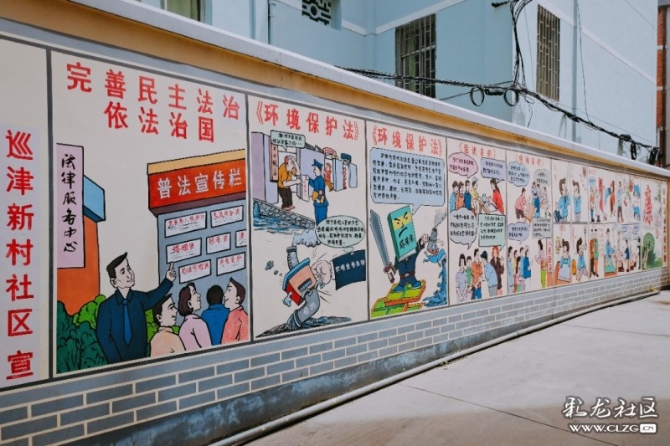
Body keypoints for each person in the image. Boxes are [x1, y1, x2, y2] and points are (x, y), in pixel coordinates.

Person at [96, 253, 176, 364]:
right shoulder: (106, 307)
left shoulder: (138, 299)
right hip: (117, 364)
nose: (129, 274)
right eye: (123, 272)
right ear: (114, 282)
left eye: (128, 268)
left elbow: (153, 297)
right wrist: (117, 363)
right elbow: (103, 337)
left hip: (140, 361)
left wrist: (168, 280)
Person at [178, 282, 212, 350]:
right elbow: (208, 349)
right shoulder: (197, 322)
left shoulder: (183, 326)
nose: (198, 295)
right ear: (189, 304)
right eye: (194, 293)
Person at [221, 278, 249, 344]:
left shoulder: (234, 317)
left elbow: (226, 342)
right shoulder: (244, 315)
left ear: (237, 299)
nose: (225, 294)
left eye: (229, 290)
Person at [308, 160, 329, 224]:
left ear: (319, 170)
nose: (314, 171)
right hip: (317, 204)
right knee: (317, 219)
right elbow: (313, 184)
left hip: (321, 204)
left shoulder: (321, 180)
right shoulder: (317, 179)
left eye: (315, 169)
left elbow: (320, 192)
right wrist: (308, 179)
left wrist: (318, 199)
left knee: (321, 220)